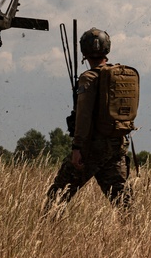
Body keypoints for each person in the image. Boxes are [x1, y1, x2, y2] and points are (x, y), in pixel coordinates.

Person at [44, 27, 133, 213]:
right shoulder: (120, 75)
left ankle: (44, 233)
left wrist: (77, 148)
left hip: (92, 148)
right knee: (123, 203)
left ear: (84, 52)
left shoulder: (88, 78)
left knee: (57, 196)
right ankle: (137, 236)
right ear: (107, 49)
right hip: (117, 146)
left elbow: (83, 117)